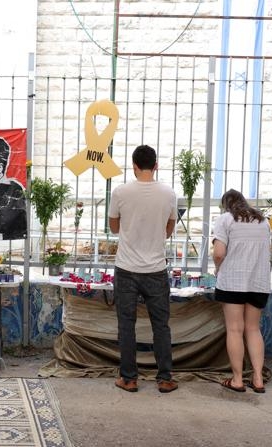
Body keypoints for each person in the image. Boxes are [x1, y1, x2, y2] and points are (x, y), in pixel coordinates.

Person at [108, 144, 178, 393]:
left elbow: (114, 228)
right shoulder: (169, 194)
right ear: (156, 165)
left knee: (126, 324)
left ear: (134, 166)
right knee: (161, 325)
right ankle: (165, 378)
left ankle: (129, 378)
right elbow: (168, 230)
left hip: (126, 267)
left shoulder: (121, 192)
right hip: (156, 269)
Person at [212, 188, 271, 394]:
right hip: (259, 282)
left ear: (226, 205)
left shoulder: (226, 219)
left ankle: (237, 380)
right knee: (253, 329)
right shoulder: (263, 221)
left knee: (235, 330)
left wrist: (217, 269)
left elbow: (219, 253)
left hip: (233, 282)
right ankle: (258, 379)